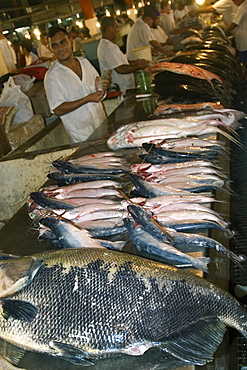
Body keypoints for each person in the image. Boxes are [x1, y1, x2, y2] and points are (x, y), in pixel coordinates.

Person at [44, 26, 108, 143]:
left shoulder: (85, 63)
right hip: (81, 136)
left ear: (71, 41)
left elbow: (99, 94)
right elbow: (58, 109)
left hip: (102, 126)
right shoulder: (52, 76)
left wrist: (102, 88)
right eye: (55, 45)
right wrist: (86, 99)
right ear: (50, 49)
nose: (60, 48)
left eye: (63, 42)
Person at [97, 16, 150, 92]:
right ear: (109, 29)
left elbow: (122, 63)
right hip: (122, 90)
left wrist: (136, 63)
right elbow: (120, 69)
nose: (118, 30)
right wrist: (139, 66)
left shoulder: (109, 45)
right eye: (116, 27)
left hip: (126, 87)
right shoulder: (108, 47)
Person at [225, 0, 247, 77]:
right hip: (243, 38)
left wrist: (223, 32)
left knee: (245, 62)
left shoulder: (243, 7)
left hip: (244, 40)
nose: (233, 2)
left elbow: (234, 23)